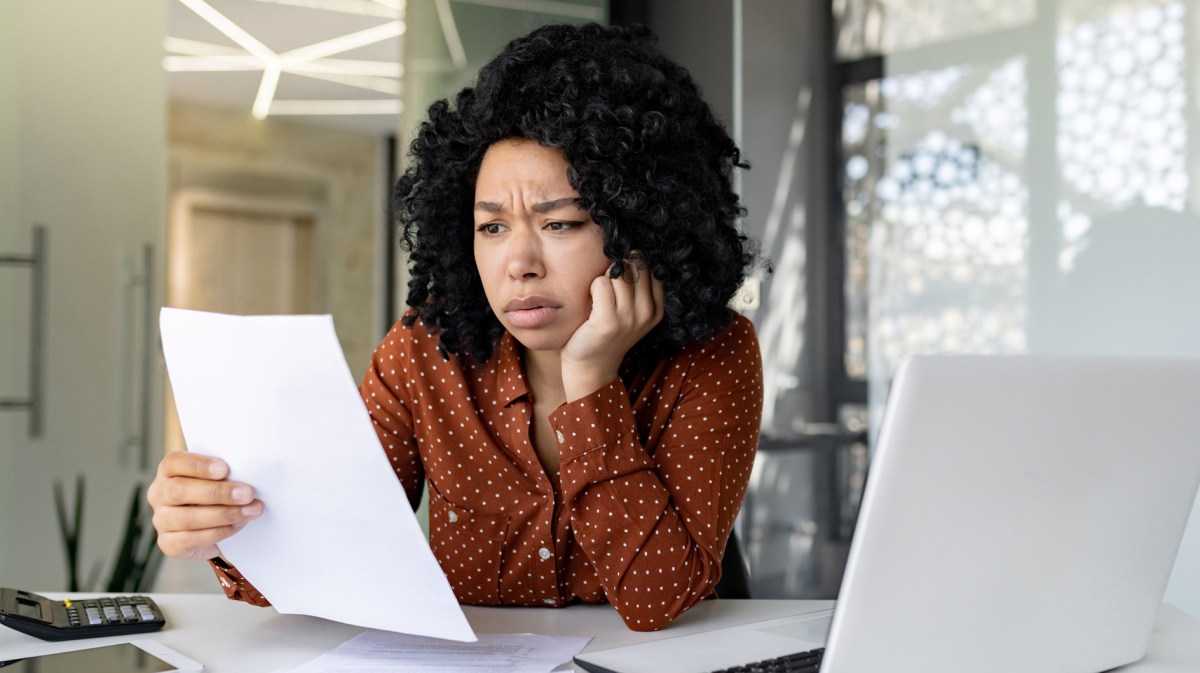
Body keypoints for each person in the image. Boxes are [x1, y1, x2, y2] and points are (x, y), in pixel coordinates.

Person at [147, 22, 764, 632]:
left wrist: (592, 380)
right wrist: (218, 533)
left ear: (640, 228)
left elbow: (659, 603)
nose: (519, 264)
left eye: (561, 223)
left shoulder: (714, 355)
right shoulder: (424, 352)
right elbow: (326, 554)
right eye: (492, 227)